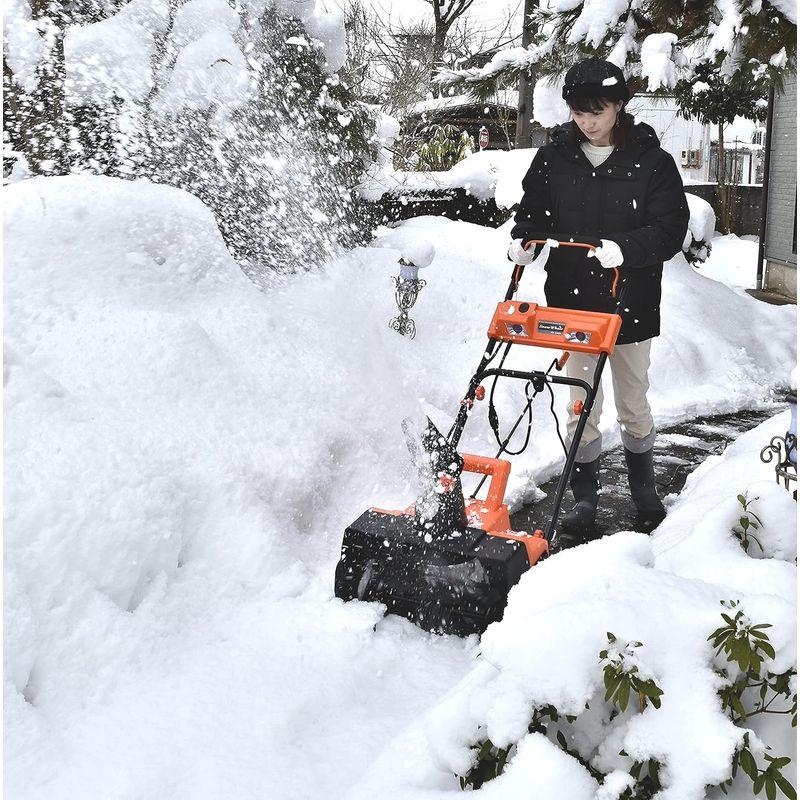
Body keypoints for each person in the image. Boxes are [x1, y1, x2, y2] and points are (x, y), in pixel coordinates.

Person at [508, 57, 690, 530]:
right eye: (578, 111)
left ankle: (644, 489)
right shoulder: (554, 158)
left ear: (619, 106)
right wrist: (525, 239)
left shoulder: (652, 161)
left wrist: (626, 249)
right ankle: (585, 497)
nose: (587, 121)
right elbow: (534, 211)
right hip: (572, 300)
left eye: (597, 110)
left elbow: (671, 229)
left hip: (632, 298)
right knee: (579, 399)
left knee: (632, 400)